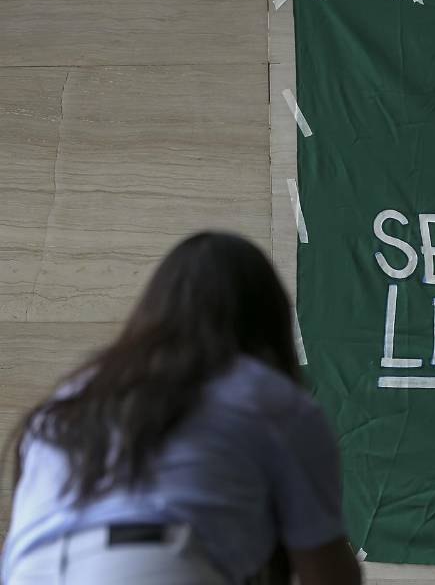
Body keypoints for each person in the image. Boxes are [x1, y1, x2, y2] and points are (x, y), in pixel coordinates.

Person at [1, 232, 362, 585]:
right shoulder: (268, 395)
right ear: (267, 320)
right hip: (150, 563)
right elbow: (327, 570)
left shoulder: (78, 390)